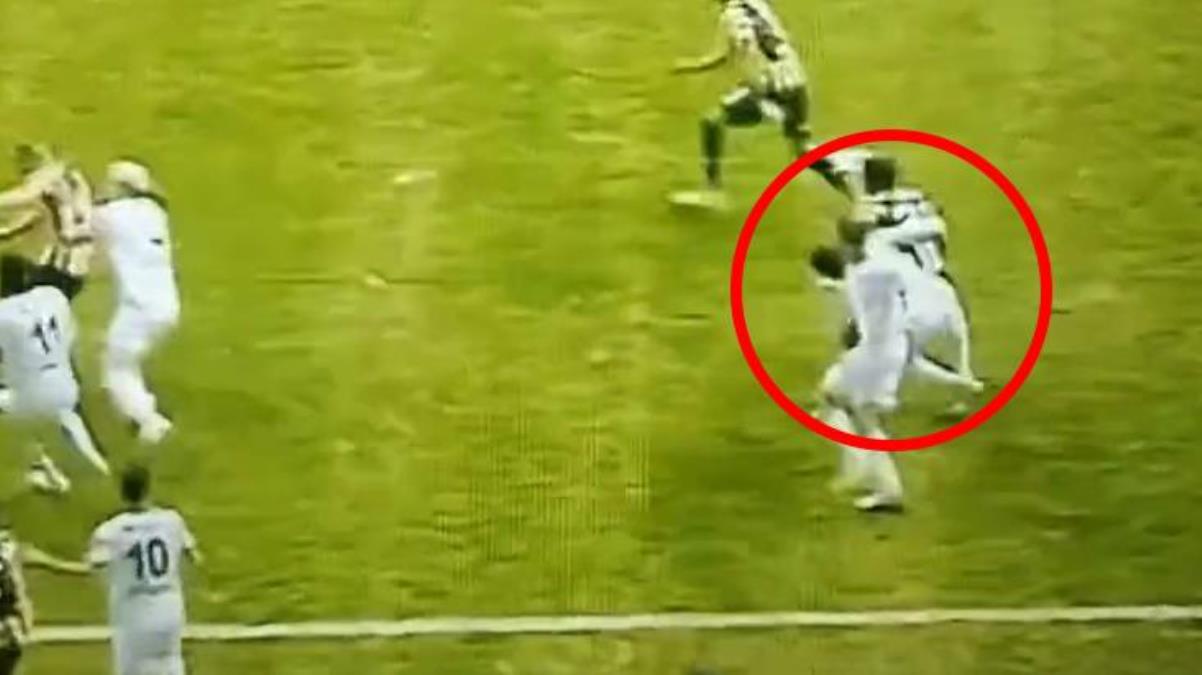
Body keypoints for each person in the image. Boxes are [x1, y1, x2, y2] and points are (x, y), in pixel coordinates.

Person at [669, 0, 849, 209]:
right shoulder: (759, 4)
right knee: (803, 148)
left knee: (711, 121)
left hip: (770, 90)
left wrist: (687, 66)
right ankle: (852, 187)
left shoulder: (729, 18)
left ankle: (713, 191)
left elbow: (720, 57)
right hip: (796, 82)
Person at [94, 160, 178, 443]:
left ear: (122, 187)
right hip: (166, 306)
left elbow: (79, 224)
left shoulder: (113, 214)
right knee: (122, 360)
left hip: (138, 309)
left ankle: (150, 423)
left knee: (116, 369)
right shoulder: (154, 211)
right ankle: (138, 409)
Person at [87, 465, 201, 675]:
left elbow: (96, 568)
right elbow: (193, 558)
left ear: (122, 493)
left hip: (135, 613)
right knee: (172, 664)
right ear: (148, 488)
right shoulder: (172, 520)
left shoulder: (111, 530)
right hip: (169, 609)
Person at [0, 284, 109, 493]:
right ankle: (101, 465)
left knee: (24, 413)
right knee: (65, 416)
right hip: (65, 384)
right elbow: (70, 340)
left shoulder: (4, 313)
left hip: (30, 395)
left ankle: (45, 467)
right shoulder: (51, 298)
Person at [0, 144, 95, 301]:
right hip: (75, 263)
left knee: (15, 276)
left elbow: (27, 196)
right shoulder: (74, 179)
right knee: (12, 266)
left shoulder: (48, 181)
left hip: (61, 265)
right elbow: (28, 219)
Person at [0, 519, 89, 674]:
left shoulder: (17, 551)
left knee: (14, 638)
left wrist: (88, 568)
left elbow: (56, 565)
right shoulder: (16, 551)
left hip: (14, 609)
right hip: (11, 611)